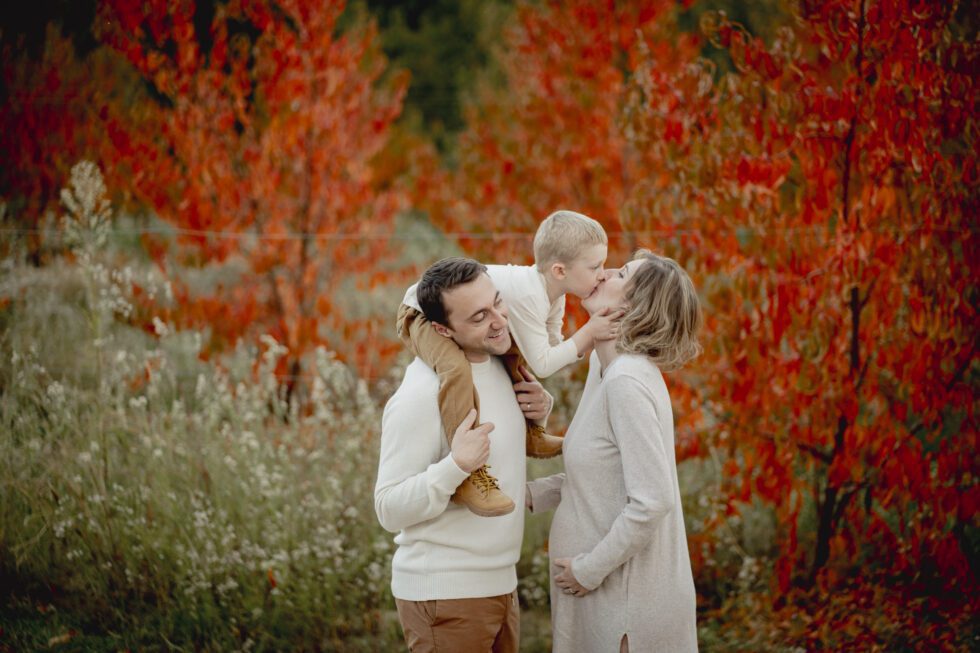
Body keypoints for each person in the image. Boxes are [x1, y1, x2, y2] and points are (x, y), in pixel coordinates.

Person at [527, 250, 703, 653]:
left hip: (627, 606)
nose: (603, 272)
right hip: (601, 597)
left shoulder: (627, 382)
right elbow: (604, 473)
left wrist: (589, 570)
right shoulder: (604, 369)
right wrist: (530, 494)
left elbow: (651, 500)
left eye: (621, 273)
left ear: (636, 305)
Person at [376, 257, 554, 653]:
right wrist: (455, 466)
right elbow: (387, 508)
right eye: (479, 317)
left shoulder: (500, 369)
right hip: (445, 596)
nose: (499, 321)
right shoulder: (421, 394)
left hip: (501, 587)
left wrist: (541, 413)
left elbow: (505, 473)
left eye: (497, 303)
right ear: (442, 329)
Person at [396, 210, 620, 517]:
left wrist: (580, 345)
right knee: (456, 369)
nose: (603, 274)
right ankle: (470, 473)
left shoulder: (554, 296)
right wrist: (589, 335)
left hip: (474, 314)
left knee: (513, 351)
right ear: (559, 270)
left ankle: (531, 433)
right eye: (596, 266)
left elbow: (551, 348)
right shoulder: (531, 296)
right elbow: (545, 364)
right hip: (423, 312)